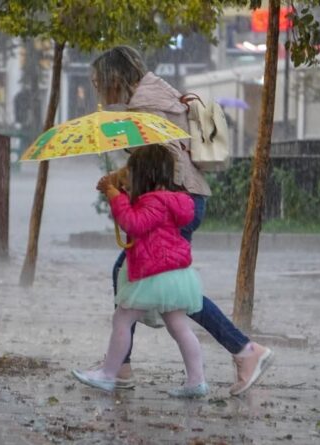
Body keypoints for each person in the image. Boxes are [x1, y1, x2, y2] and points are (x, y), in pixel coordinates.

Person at [91, 45, 273, 396]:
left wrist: (120, 184)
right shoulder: (159, 93)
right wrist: (122, 176)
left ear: (117, 78)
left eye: (101, 82)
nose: (100, 89)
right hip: (186, 199)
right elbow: (164, 157)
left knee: (175, 290)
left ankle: (244, 351)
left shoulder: (145, 105)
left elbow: (164, 162)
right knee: (164, 286)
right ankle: (123, 366)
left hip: (175, 204)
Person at [73, 145, 208, 398]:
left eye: (131, 172)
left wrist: (115, 195)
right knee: (179, 326)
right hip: (176, 273)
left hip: (154, 273)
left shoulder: (154, 201)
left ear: (144, 175)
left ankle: (109, 374)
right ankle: (197, 380)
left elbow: (133, 223)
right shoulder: (171, 199)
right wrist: (117, 188)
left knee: (122, 318)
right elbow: (141, 216)